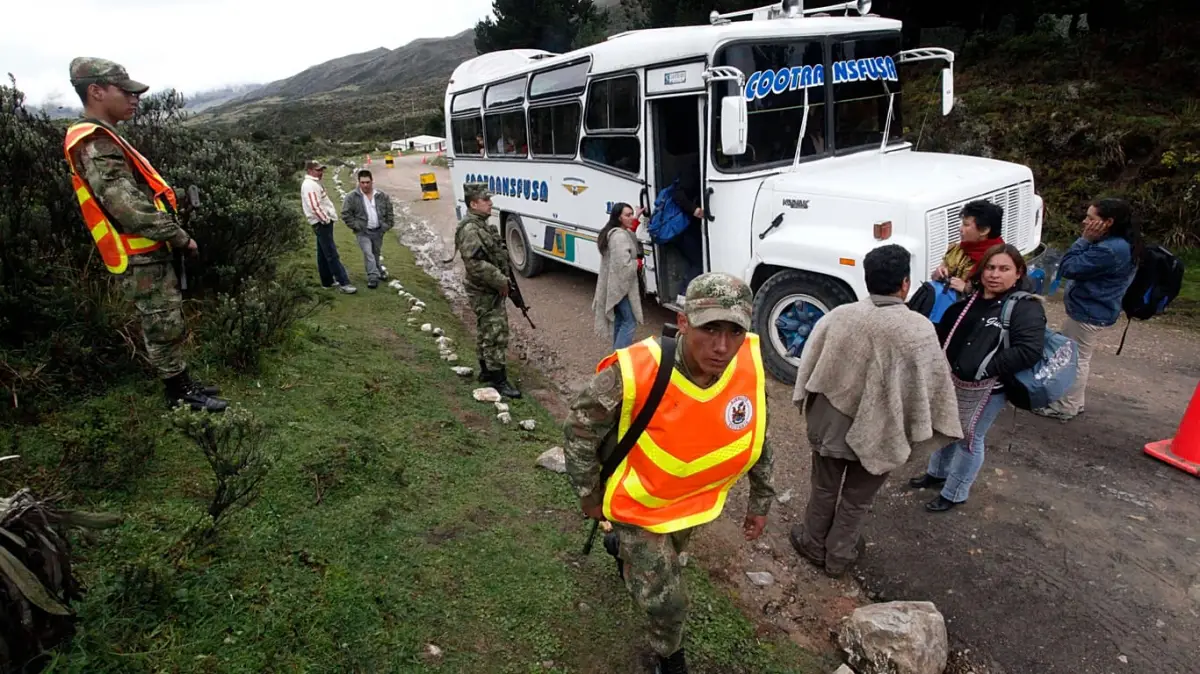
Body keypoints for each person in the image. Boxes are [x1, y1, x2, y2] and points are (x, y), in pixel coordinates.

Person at [564, 272, 775, 674]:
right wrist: (589, 496)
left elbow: (759, 436)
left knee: (672, 560)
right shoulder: (634, 371)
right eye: (709, 328)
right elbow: (578, 430)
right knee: (668, 599)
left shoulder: (746, 369)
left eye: (734, 331)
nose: (722, 346)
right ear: (683, 322)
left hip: (687, 505)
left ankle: (621, 553)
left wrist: (760, 501)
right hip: (635, 504)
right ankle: (668, 656)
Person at [62, 57, 227, 413]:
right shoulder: (94, 141)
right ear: (96, 91)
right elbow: (127, 207)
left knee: (168, 318)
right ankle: (178, 394)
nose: (135, 98)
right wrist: (179, 236)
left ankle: (182, 382)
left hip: (147, 249)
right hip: (140, 253)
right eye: (126, 91)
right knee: (162, 323)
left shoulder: (103, 137)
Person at [790, 244, 961, 576]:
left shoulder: (840, 315)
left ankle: (812, 542)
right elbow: (929, 388)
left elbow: (810, 367)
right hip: (885, 429)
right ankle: (839, 556)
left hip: (830, 423)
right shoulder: (919, 329)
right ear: (905, 284)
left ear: (867, 279)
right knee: (857, 498)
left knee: (824, 487)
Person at [912, 244, 1047, 512]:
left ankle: (955, 492)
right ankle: (937, 473)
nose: (995, 274)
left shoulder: (1024, 308)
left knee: (969, 438)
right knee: (945, 426)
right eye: (990, 267)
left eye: (1004, 269)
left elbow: (1029, 350)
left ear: (1018, 273)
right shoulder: (972, 299)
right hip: (955, 379)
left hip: (989, 388)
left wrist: (986, 368)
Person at [1033, 198, 1140, 421]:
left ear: (1108, 222)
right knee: (1079, 355)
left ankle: (1066, 406)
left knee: (1076, 358)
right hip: (1095, 309)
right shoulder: (1120, 243)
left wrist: (1083, 240)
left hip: (1089, 312)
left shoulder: (1110, 249)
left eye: (1091, 218)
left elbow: (1068, 267)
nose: (1085, 221)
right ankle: (1074, 402)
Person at [454, 183, 521, 399]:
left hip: (487, 288)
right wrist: (501, 281)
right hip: (484, 290)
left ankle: (485, 370)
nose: (490, 203)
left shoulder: (481, 225)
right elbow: (475, 263)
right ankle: (498, 379)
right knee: (496, 332)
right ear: (474, 204)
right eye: (486, 200)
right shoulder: (471, 229)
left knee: (486, 329)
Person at [593, 202, 645, 349]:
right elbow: (624, 267)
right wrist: (639, 263)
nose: (631, 218)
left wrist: (636, 217)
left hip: (614, 286)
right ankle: (618, 360)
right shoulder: (619, 237)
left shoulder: (616, 232)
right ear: (619, 217)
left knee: (621, 320)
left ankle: (615, 356)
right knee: (630, 323)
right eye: (627, 215)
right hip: (621, 288)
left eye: (631, 214)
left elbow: (629, 238)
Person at [301, 160, 357, 294]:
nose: (321, 172)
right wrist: (326, 220)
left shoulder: (314, 183)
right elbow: (314, 206)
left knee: (323, 253)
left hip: (321, 222)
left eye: (321, 170)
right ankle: (344, 283)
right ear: (309, 170)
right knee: (332, 253)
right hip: (321, 223)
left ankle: (327, 281)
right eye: (317, 170)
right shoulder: (310, 185)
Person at [931, 199, 1006, 295]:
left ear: (984, 230)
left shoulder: (1001, 259)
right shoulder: (958, 249)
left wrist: (967, 289)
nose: (960, 229)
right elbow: (937, 275)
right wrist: (937, 274)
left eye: (966, 225)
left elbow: (1000, 296)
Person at [340, 169, 395, 289]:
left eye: (368, 182)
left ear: (372, 181)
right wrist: (356, 226)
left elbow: (390, 212)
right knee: (368, 253)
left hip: (378, 230)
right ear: (358, 182)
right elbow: (345, 213)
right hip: (363, 232)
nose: (365, 185)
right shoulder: (352, 197)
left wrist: (386, 226)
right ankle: (373, 277)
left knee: (375, 253)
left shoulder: (382, 196)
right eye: (363, 182)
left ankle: (379, 271)